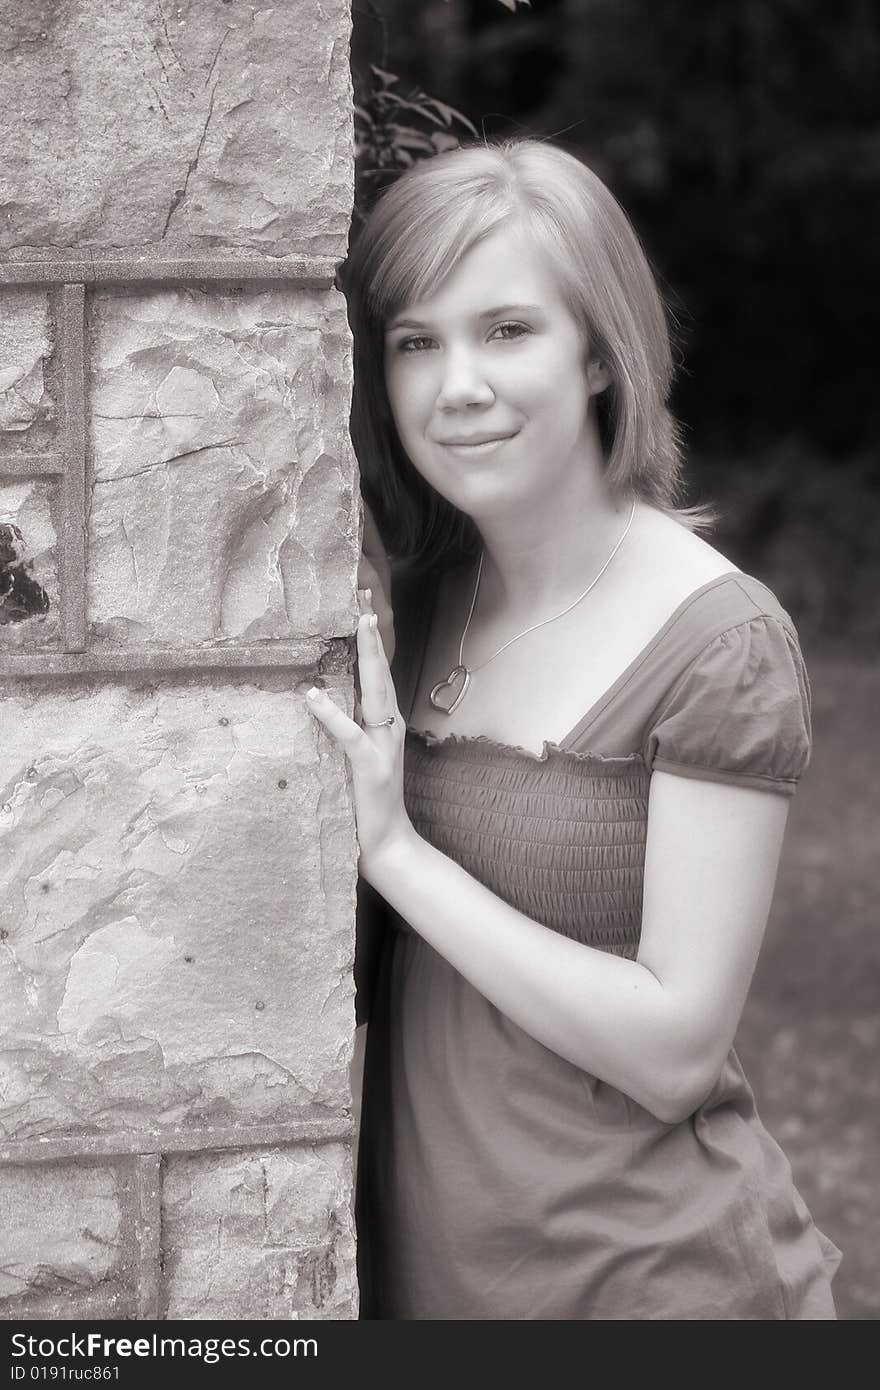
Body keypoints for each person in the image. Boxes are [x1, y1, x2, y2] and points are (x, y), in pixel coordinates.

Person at [307, 139, 842, 1319]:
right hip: (433, 1287)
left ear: (600, 351)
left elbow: (673, 1050)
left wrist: (397, 853)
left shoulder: (716, 641)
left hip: (653, 1287)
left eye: (507, 330)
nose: (457, 386)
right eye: (415, 342)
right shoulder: (418, 605)